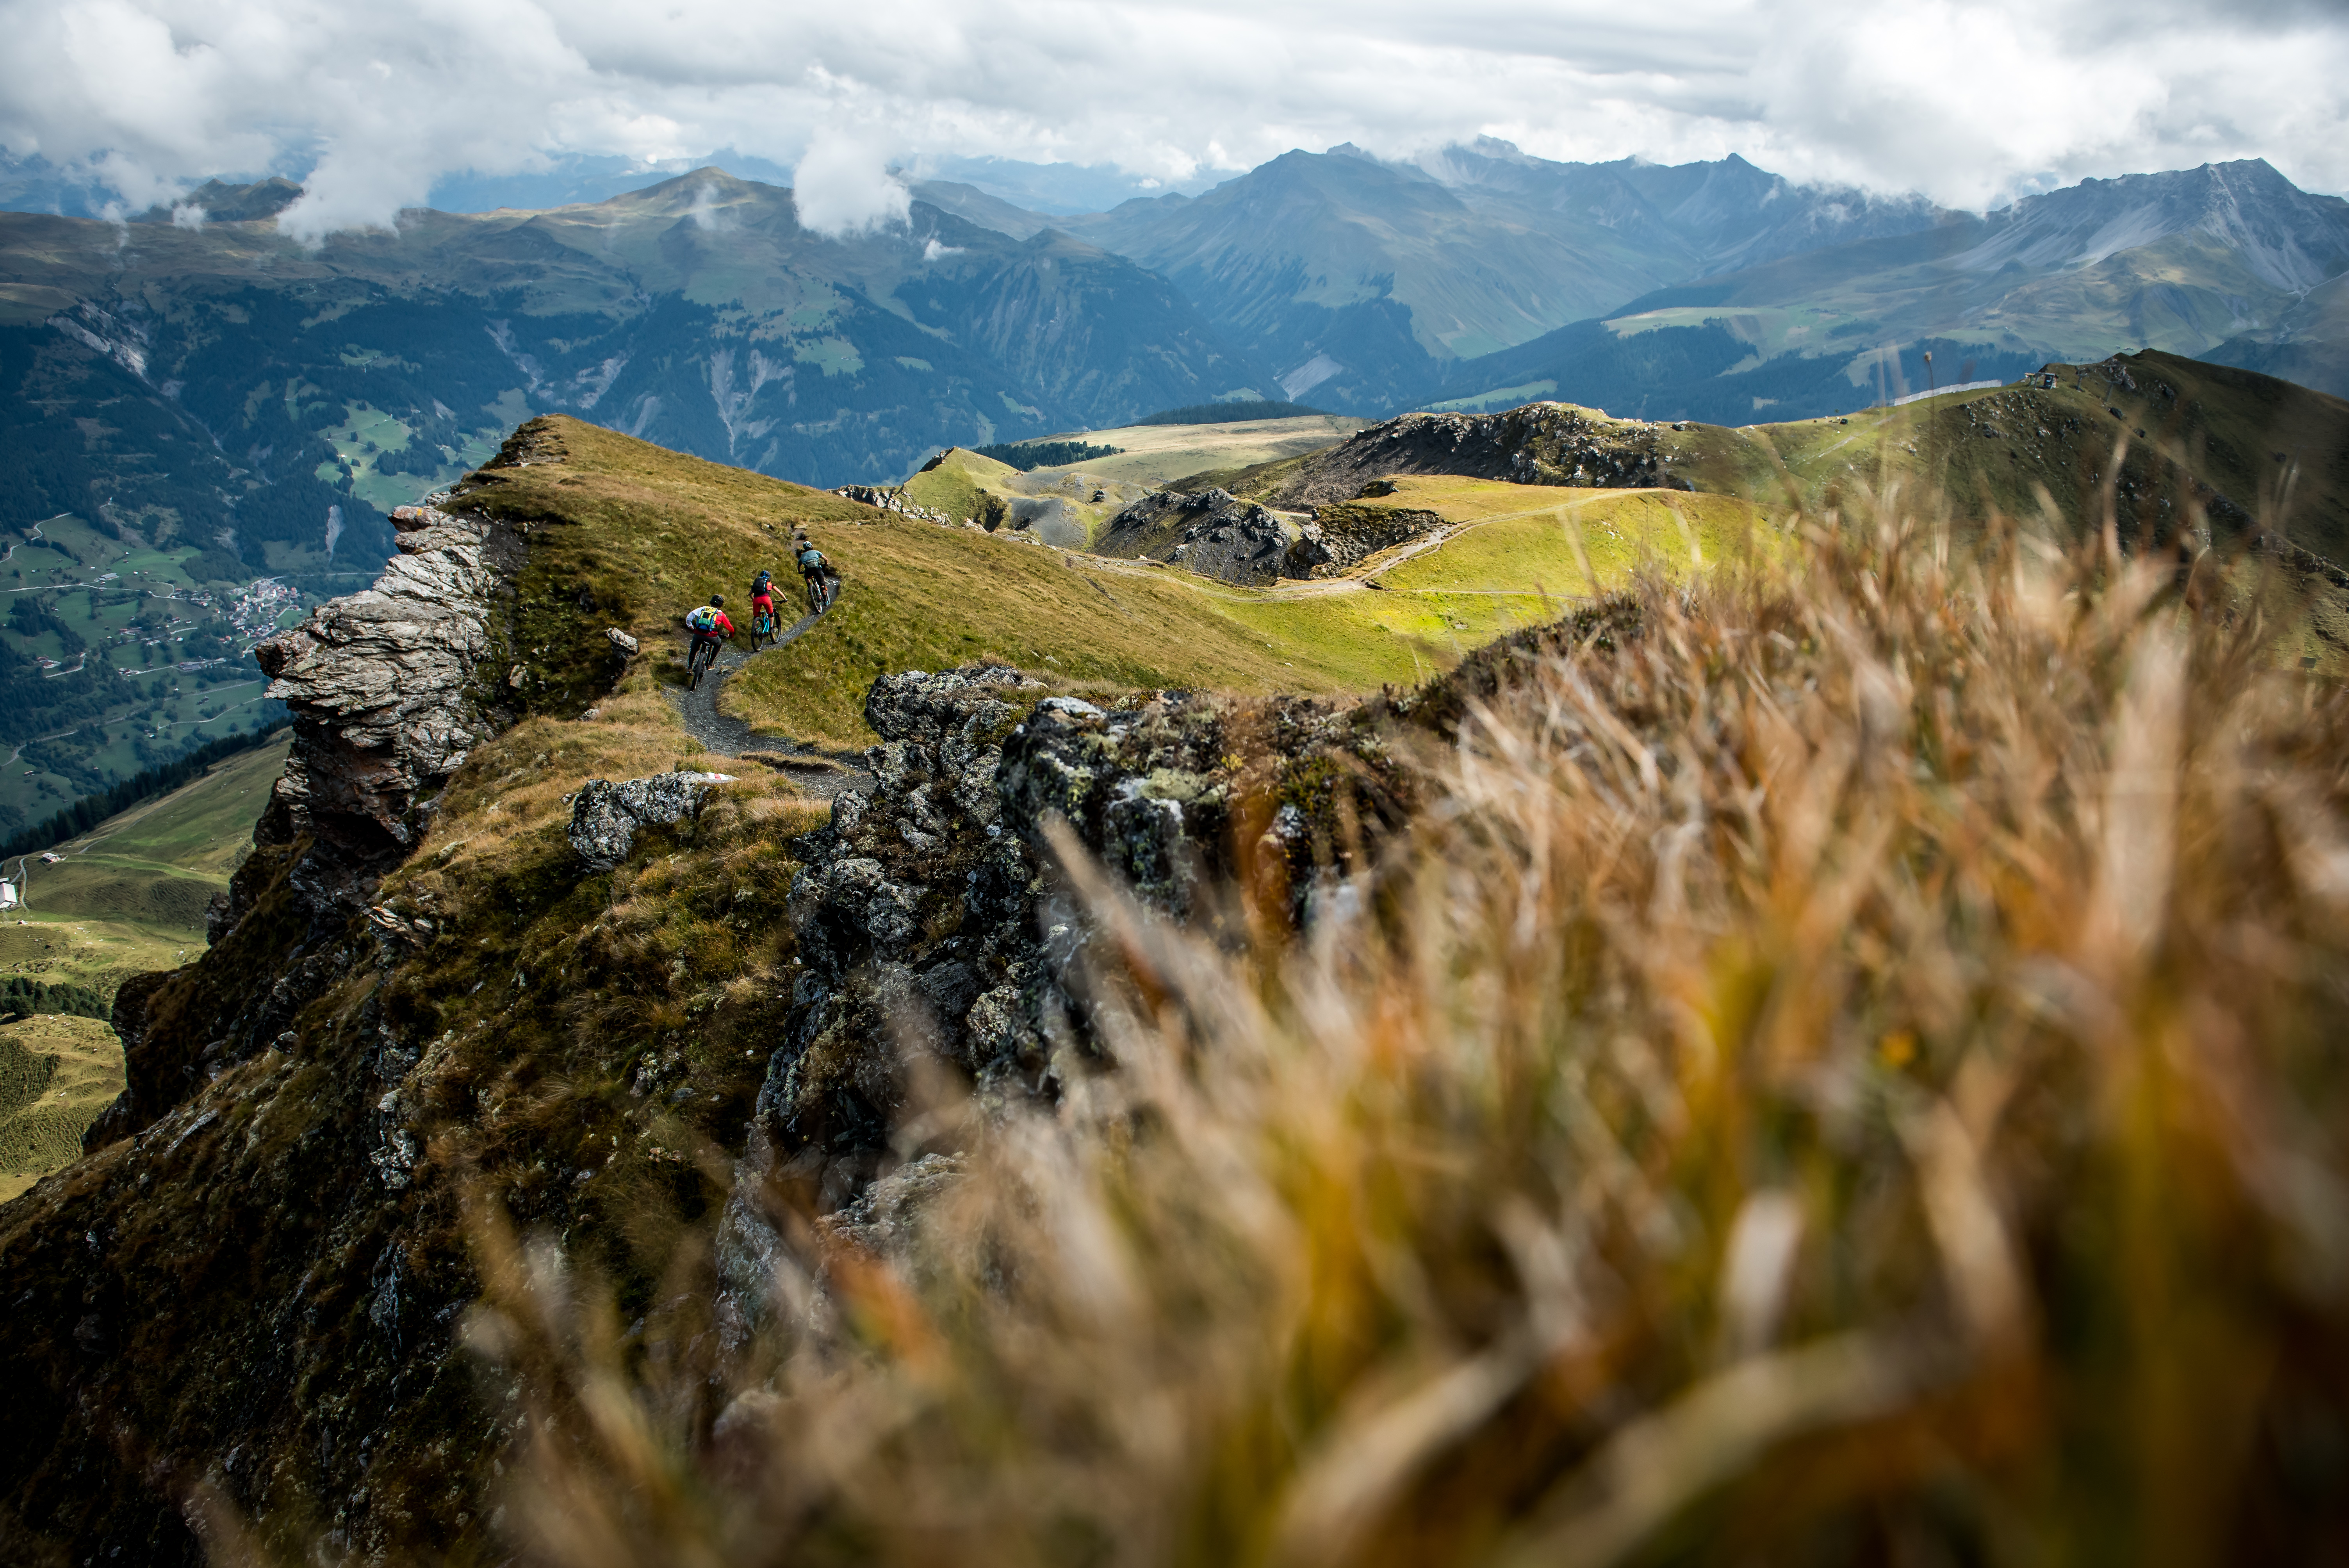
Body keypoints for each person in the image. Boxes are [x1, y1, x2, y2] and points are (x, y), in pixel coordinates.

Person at [684, 592, 734, 673]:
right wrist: (730, 636)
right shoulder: (720, 614)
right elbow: (731, 629)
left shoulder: (703, 609)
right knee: (718, 644)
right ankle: (710, 664)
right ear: (721, 606)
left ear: (711, 602)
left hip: (698, 634)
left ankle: (690, 668)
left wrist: (691, 627)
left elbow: (690, 617)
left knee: (694, 650)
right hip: (712, 636)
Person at [795, 534, 836, 611]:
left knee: (807, 578)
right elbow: (826, 559)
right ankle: (826, 601)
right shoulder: (816, 552)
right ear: (811, 547)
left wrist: (800, 572)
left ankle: (810, 589)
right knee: (822, 585)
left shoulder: (803, 555)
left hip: (808, 571)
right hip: (817, 570)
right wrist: (826, 564)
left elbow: (799, 565)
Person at [748, 568, 777, 633]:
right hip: (766, 599)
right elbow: (780, 593)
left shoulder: (757, 584)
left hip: (756, 599)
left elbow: (750, 594)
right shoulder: (769, 584)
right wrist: (785, 599)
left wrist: (754, 600)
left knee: (756, 616)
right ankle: (771, 629)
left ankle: (755, 631)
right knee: (770, 613)